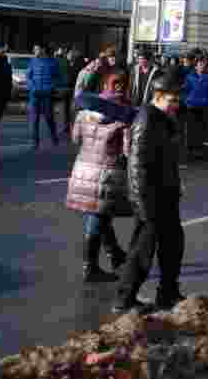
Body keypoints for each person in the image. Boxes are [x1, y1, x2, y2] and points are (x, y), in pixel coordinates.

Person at [114, 69, 187, 314]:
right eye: (171, 99)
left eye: (178, 99)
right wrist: (141, 201)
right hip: (150, 196)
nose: (176, 104)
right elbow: (137, 165)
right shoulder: (147, 118)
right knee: (142, 251)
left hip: (167, 193)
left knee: (173, 245)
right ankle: (125, 298)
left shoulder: (165, 118)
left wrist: (176, 183)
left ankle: (168, 292)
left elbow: (167, 158)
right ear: (157, 95)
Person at [66, 68, 135, 283]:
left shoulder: (85, 111)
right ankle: (91, 267)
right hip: (108, 172)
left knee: (97, 214)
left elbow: (76, 139)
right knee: (98, 217)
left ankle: (115, 254)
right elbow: (127, 150)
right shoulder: (124, 115)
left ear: (104, 86)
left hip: (83, 169)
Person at [27, 44, 62, 150]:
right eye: (34, 49)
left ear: (42, 50)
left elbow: (58, 77)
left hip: (47, 94)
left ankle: (54, 137)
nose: (34, 51)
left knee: (49, 117)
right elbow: (28, 76)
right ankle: (35, 142)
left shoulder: (53, 62)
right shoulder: (32, 61)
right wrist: (32, 87)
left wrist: (51, 87)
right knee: (34, 119)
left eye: (36, 49)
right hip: (34, 94)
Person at [184, 55, 208, 160]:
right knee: (191, 130)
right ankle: (190, 151)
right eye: (200, 64)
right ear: (196, 66)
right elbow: (185, 91)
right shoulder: (189, 77)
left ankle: (200, 151)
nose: (202, 66)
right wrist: (187, 101)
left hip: (204, 107)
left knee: (202, 130)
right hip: (192, 107)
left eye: (203, 64)